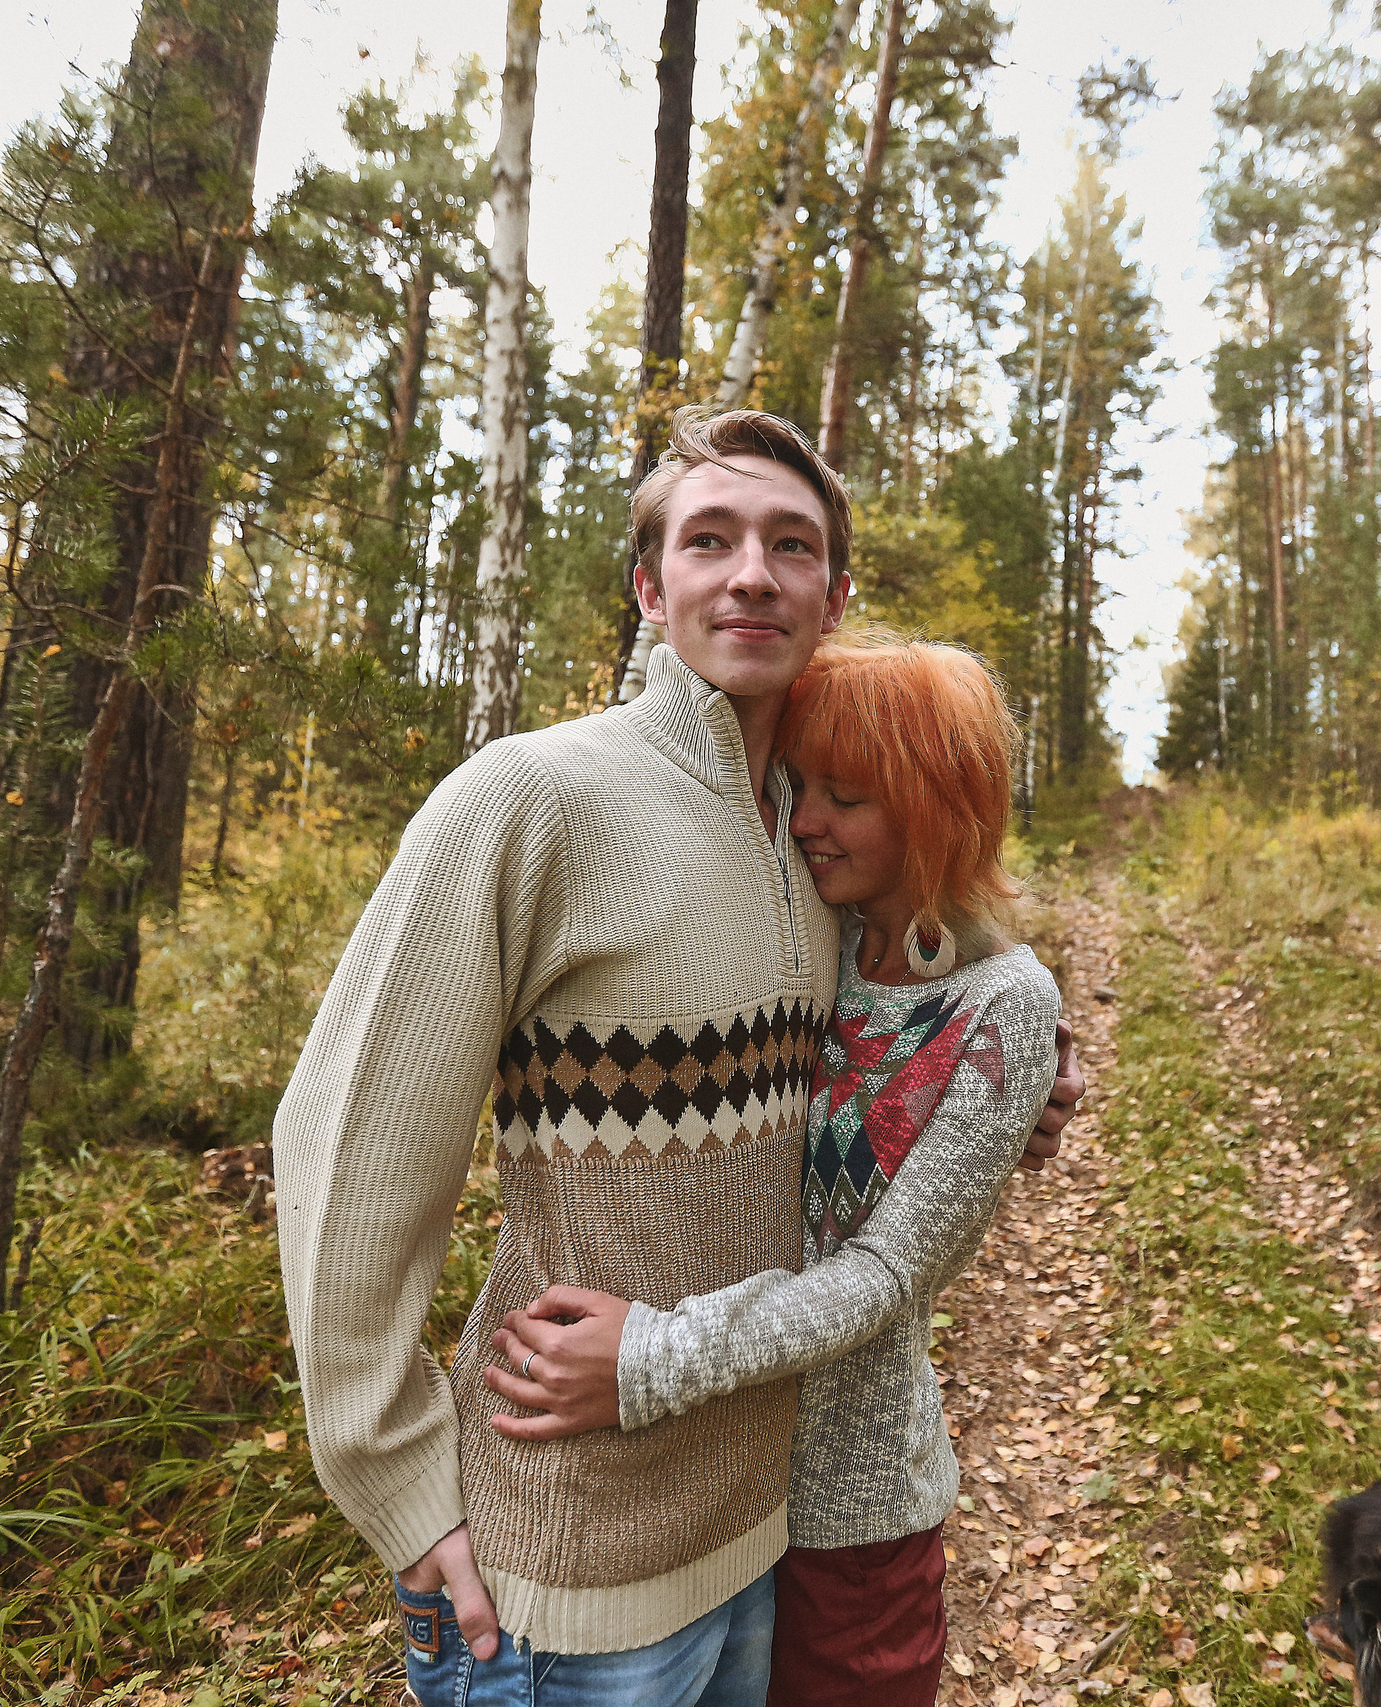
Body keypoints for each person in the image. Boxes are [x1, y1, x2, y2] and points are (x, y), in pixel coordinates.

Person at [270, 408, 1081, 1707]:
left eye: (791, 543)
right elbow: (346, 1147)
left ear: (834, 593)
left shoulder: (813, 846)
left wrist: (1022, 1066)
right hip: (567, 1573)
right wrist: (401, 1491)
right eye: (711, 538)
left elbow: (917, 1010)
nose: (752, 569)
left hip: (762, 1541)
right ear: (652, 587)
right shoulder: (529, 798)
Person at [474, 633, 1062, 1707]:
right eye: (801, 788)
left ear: (937, 808)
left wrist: (650, 1359)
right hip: (706, 1502)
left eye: (847, 798)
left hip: (849, 1517)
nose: (805, 823)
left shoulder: (1005, 1008)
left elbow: (883, 1280)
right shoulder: (818, 936)